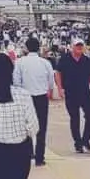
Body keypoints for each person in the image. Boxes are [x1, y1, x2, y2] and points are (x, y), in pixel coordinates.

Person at [13, 36, 54, 166]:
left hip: (25, 96)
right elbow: (51, 83)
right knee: (42, 127)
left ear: (26, 48)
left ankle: (28, 153)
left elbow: (16, 82)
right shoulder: (45, 63)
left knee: (25, 126)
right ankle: (39, 158)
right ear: (39, 48)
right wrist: (48, 91)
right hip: (41, 97)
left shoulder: (20, 62)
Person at [55, 38, 90, 153]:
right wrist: (60, 88)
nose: (79, 48)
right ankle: (77, 142)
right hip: (70, 92)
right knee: (75, 118)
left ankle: (86, 139)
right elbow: (58, 73)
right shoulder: (65, 59)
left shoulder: (86, 60)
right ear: (72, 47)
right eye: (77, 46)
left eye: (81, 46)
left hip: (85, 92)